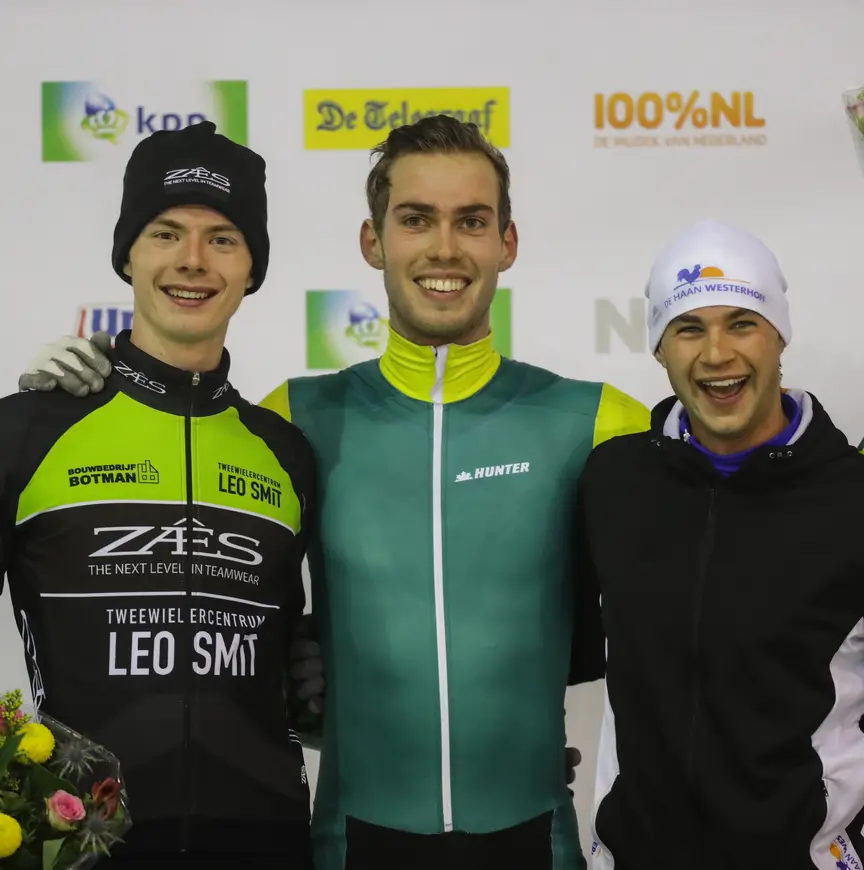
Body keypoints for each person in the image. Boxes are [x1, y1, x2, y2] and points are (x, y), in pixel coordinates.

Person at [16, 115, 649, 870]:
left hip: (535, 841)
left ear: (507, 243)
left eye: (472, 221)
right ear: (372, 241)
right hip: (348, 844)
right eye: (416, 219)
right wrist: (82, 389)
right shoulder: (293, 420)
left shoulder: (599, 422)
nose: (445, 248)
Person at [2, 122, 316, 869]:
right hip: (79, 847)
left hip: (264, 842)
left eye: (223, 239)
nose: (192, 261)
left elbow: (299, 662)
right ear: (128, 255)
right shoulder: (28, 429)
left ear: (252, 267)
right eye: (165, 232)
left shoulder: (286, 451)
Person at [576, 219, 864, 870]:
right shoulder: (614, 480)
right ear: (658, 348)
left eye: (742, 323)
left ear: (779, 334)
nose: (716, 354)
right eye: (688, 328)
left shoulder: (852, 497)